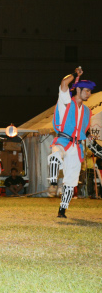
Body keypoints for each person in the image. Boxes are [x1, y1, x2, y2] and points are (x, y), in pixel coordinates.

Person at [48, 67, 94, 218]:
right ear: (78, 90)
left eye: (90, 91)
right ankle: (53, 184)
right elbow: (63, 83)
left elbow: (83, 129)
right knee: (55, 156)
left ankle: (62, 210)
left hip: (77, 146)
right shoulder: (66, 101)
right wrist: (76, 75)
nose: (89, 93)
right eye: (86, 90)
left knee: (71, 181)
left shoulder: (87, 110)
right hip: (62, 140)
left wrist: (89, 137)